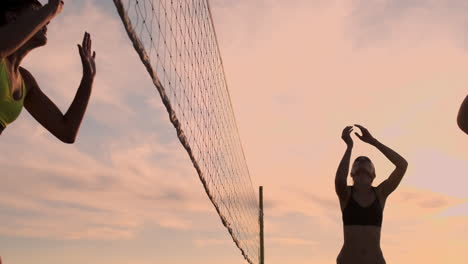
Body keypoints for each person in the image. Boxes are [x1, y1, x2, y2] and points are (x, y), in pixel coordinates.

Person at [0, 0, 96, 142]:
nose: (46, 20)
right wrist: (52, 7)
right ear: (13, 18)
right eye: (36, 11)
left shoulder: (25, 81)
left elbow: (67, 131)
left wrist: (88, 79)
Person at [335, 124, 408, 264]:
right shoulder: (345, 194)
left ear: (374, 174)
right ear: (352, 173)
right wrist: (349, 147)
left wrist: (373, 142)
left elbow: (402, 165)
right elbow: (339, 179)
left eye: (366, 161)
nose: (361, 162)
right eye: (357, 162)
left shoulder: (380, 193)